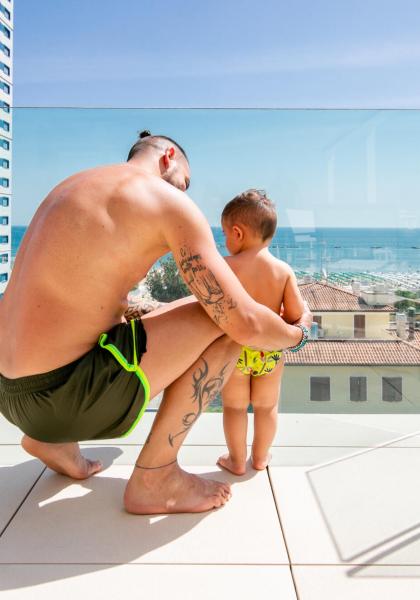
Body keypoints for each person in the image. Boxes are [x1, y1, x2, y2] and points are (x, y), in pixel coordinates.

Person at [0, 131, 312, 515]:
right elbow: (243, 322)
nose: (184, 193)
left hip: (10, 394)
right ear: (169, 158)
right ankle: (157, 475)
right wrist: (297, 335)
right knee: (227, 325)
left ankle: (52, 441)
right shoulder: (165, 202)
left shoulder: (71, 187)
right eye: (185, 182)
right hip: (63, 397)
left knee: (196, 306)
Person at [217, 190, 306, 475]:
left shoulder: (224, 267)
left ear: (238, 233)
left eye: (224, 235)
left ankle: (235, 460)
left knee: (234, 407)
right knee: (267, 407)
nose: (225, 241)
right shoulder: (282, 271)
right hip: (269, 350)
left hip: (234, 350)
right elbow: (294, 316)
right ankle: (259, 458)